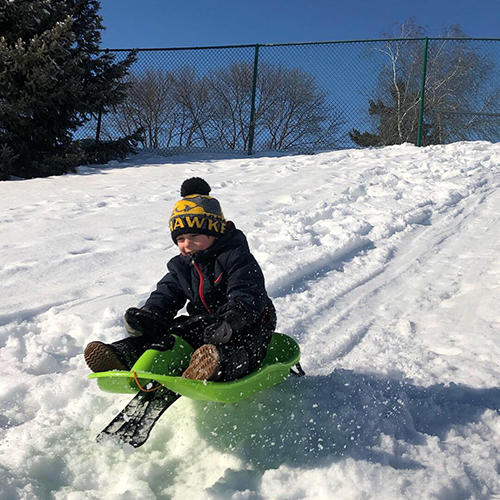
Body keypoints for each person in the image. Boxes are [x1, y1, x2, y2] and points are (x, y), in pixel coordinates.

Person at [84, 177, 276, 381]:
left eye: (194, 237)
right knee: (172, 334)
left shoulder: (236, 256)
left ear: (215, 232)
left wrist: (232, 321)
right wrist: (150, 315)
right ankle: (124, 355)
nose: (186, 244)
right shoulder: (182, 265)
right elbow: (166, 293)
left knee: (245, 348)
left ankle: (214, 365)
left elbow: (248, 293)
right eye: (180, 239)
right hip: (206, 323)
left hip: (249, 323)